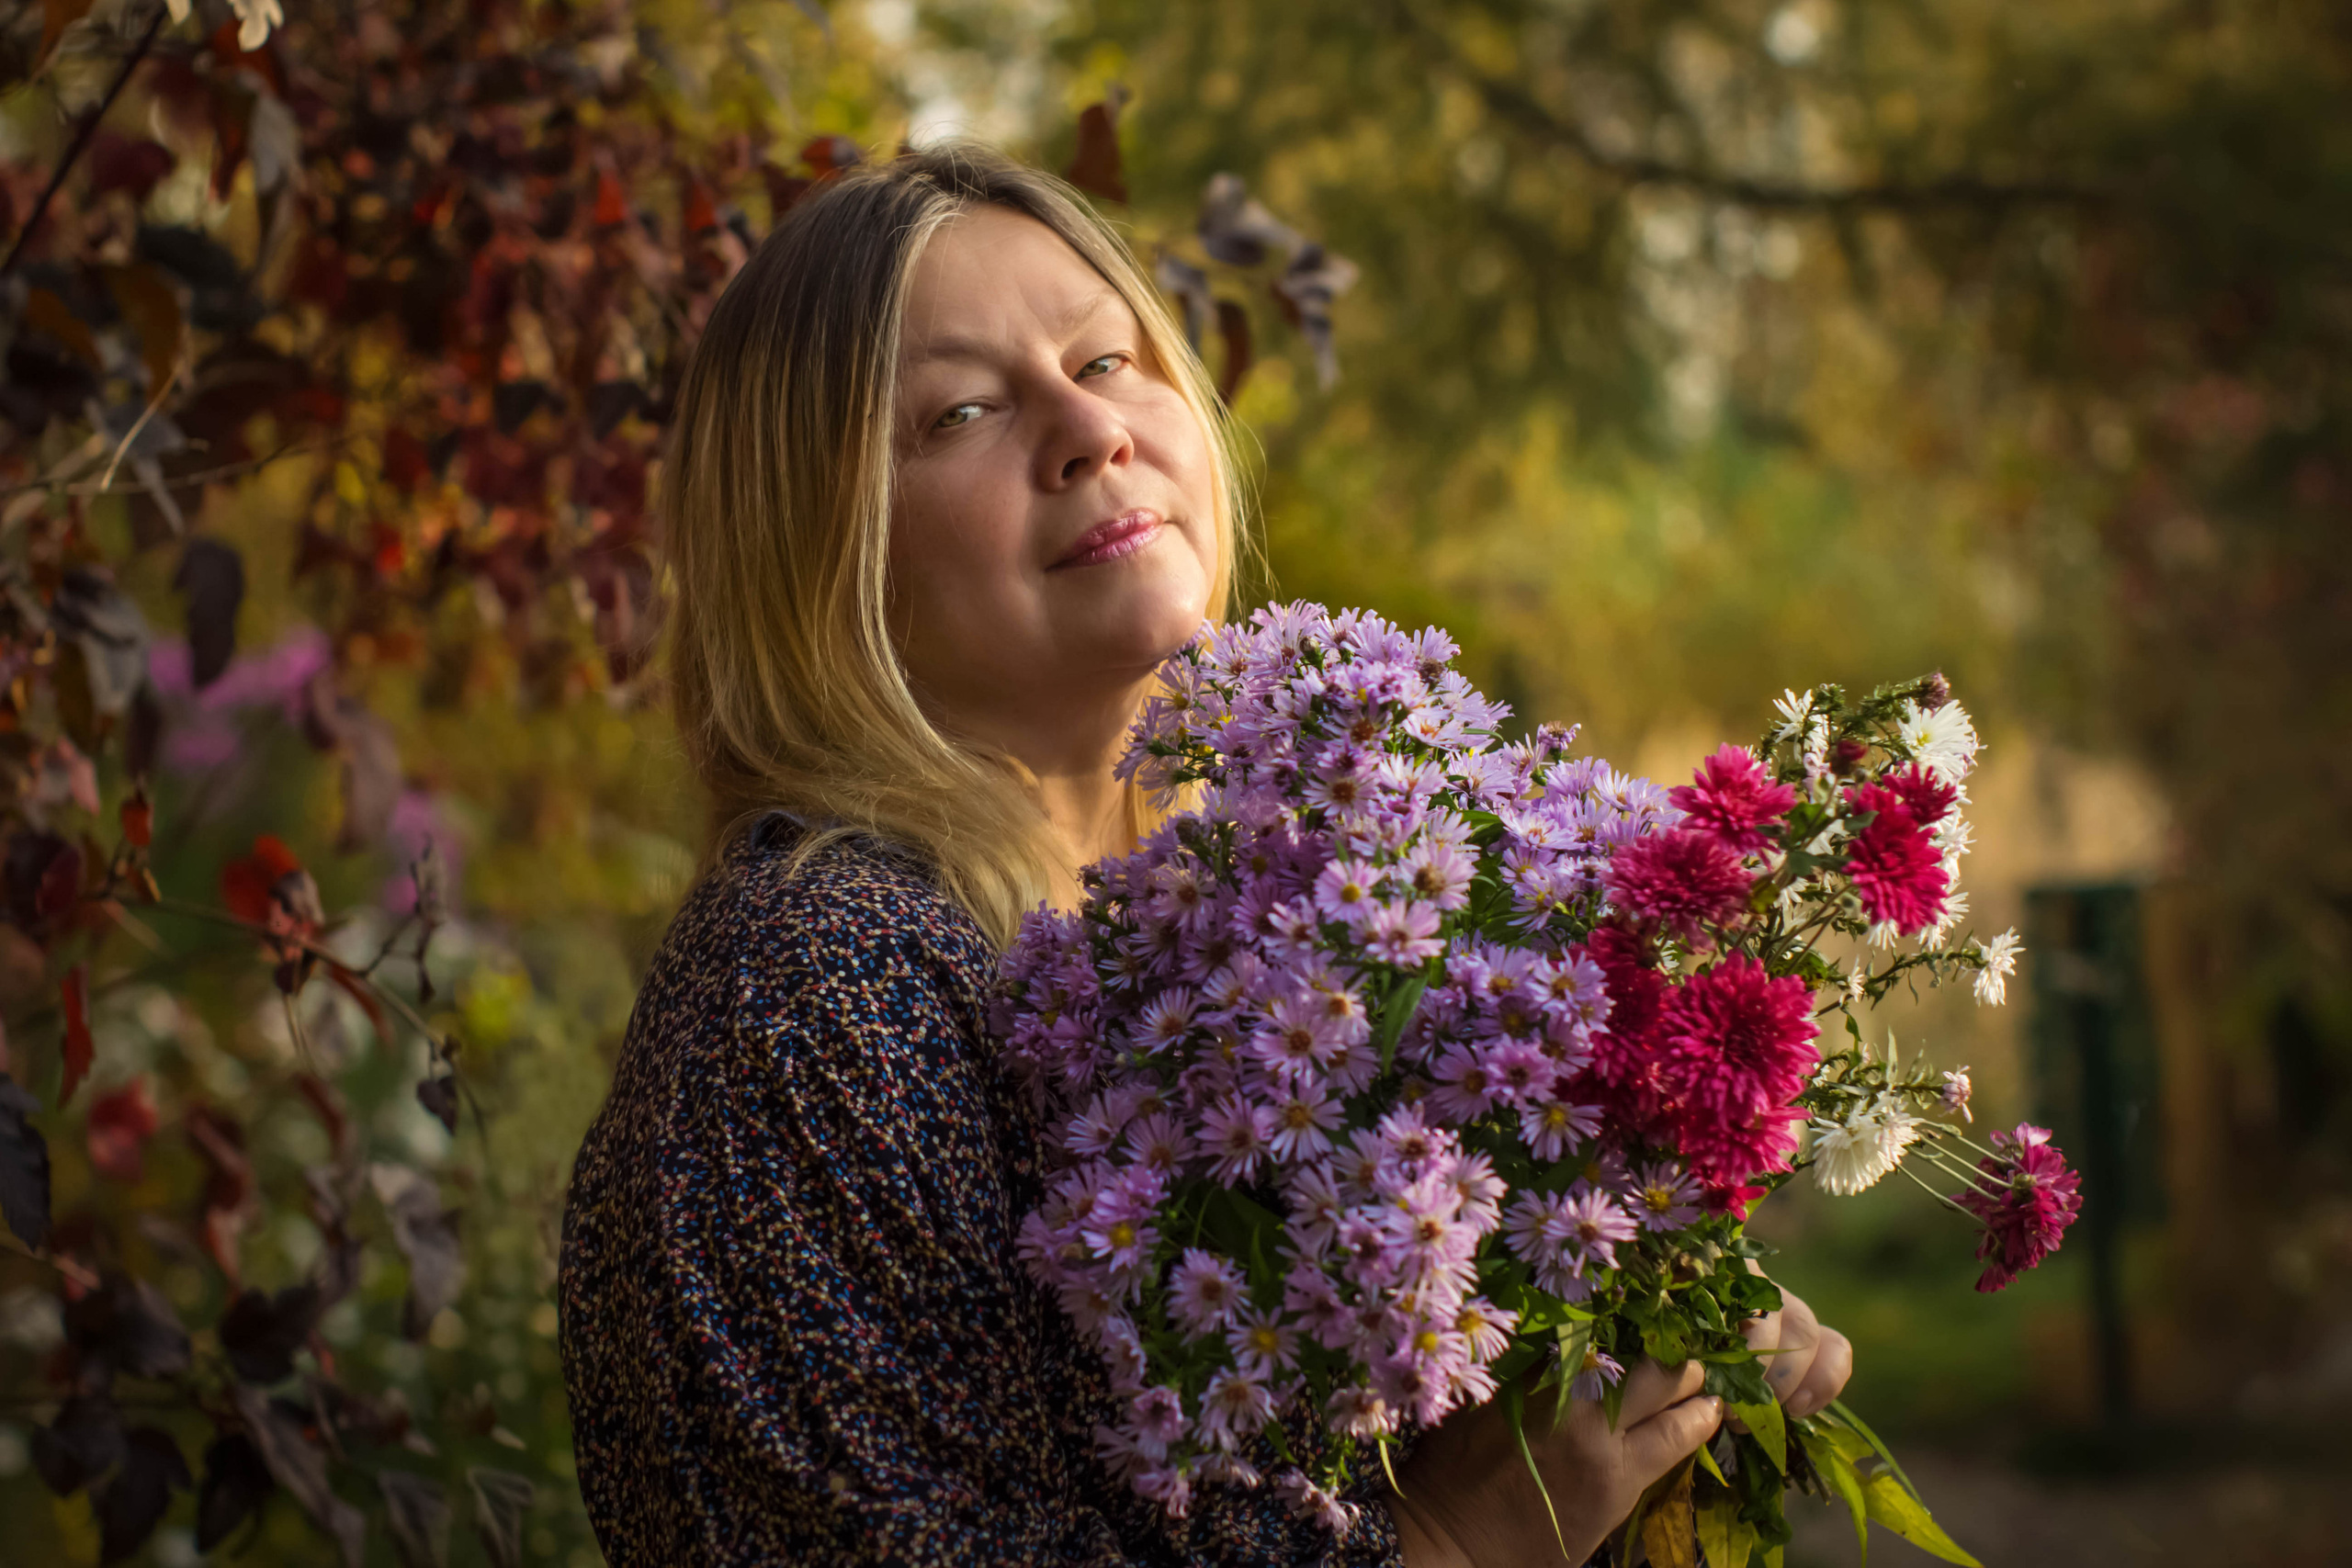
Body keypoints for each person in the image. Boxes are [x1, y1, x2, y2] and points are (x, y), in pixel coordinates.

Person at [557, 141, 1852, 1568]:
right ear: (820, 550)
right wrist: (1457, 1541)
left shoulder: (1277, 937)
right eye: (964, 411)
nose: (1085, 428)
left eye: (1106, 359)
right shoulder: (813, 992)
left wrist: (1647, 1376)